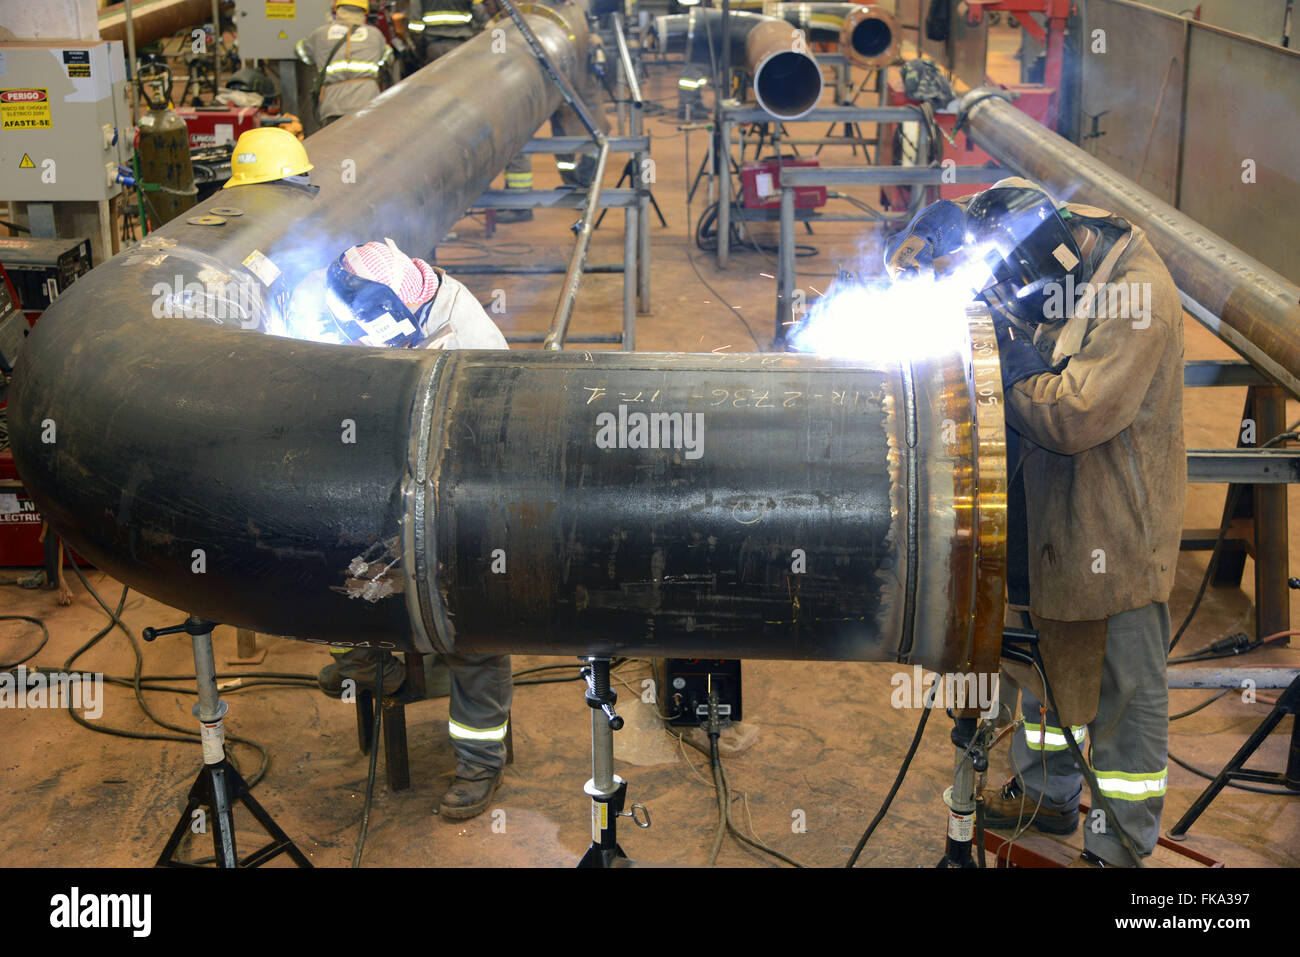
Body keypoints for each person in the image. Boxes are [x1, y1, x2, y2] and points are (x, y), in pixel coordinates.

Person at [887, 178, 1185, 867]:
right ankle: (1046, 794)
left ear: (1060, 259)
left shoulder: (1139, 301)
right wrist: (952, 220)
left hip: (1112, 525)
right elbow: (1011, 198)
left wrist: (1013, 364)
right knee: (1046, 663)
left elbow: (1075, 416)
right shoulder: (1063, 232)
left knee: (1120, 694)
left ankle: (1117, 849)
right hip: (1048, 510)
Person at [289, 238, 514, 821]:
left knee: (473, 631)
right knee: (326, 581)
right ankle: (376, 666)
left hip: (466, 501)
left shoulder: (470, 343)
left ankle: (478, 762)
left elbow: (489, 455)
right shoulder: (367, 290)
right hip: (397, 482)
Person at [411, 0, 535, 222]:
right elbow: (481, 16)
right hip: (464, 50)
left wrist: (423, 52)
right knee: (468, 115)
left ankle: (451, 198)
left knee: (443, 119)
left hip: (435, 51)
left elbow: (415, 27)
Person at [295, 0, 395, 127]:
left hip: (334, 104)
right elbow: (388, 58)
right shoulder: (375, 35)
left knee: (336, 144)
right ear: (365, 12)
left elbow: (301, 53)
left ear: (336, 10)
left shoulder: (321, 34)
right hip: (367, 101)